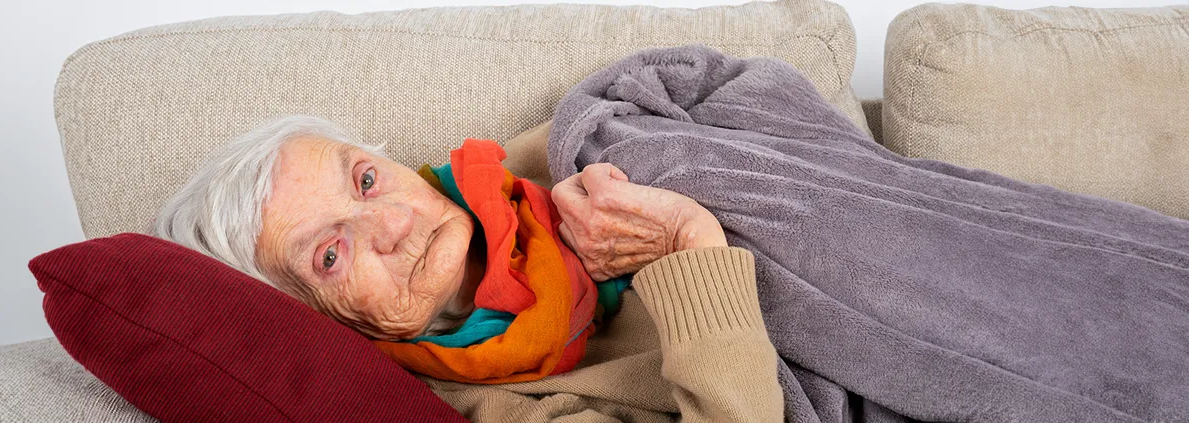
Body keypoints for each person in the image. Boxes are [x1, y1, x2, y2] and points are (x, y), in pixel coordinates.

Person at [153, 115, 784, 422]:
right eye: (329, 253)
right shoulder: (492, 407)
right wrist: (692, 241)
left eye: (366, 180)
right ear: (314, 319)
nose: (393, 223)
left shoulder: (551, 155)